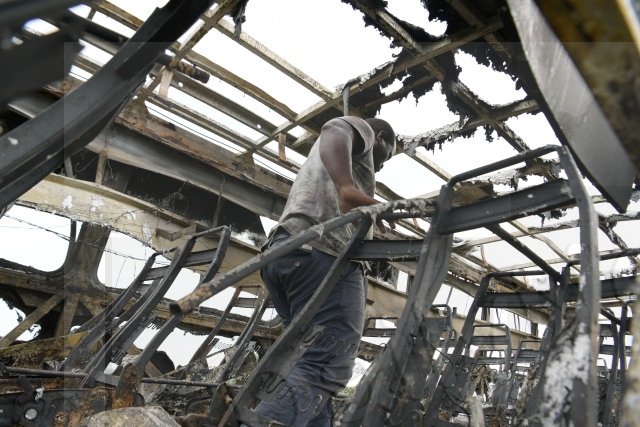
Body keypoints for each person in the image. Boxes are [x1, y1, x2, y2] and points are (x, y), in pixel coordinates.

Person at [253, 116, 396, 426]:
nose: (382, 167)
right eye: (387, 156)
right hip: (323, 255)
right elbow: (335, 126)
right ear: (381, 137)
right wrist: (347, 188)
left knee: (306, 362)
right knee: (326, 364)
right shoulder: (362, 131)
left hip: (283, 253)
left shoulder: (327, 166)